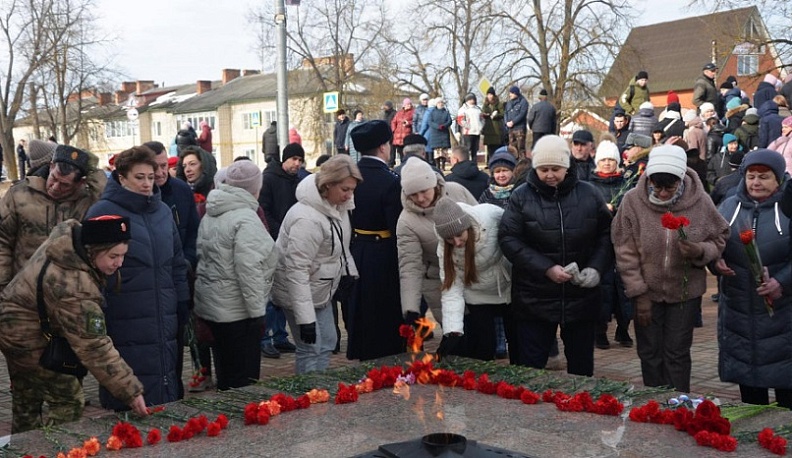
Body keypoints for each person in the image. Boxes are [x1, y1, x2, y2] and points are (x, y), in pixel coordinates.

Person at [0, 216, 147, 433]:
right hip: (26, 338)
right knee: (69, 400)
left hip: (12, 326)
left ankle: (24, 448)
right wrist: (131, 391)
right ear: (93, 250)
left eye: (123, 255)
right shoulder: (76, 287)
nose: (119, 263)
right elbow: (95, 348)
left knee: (27, 400)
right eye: (113, 256)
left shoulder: (67, 243)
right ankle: (55, 449)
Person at [611, 145, 729, 393]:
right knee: (650, 353)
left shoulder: (701, 201)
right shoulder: (633, 201)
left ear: (681, 179)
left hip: (684, 294)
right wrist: (639, 293)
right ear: (649, 178)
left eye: (670, 186)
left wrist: (700, 251)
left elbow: (720, 236)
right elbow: (624, 249)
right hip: (646, 292)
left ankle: (678, 404)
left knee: (677, 353)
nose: (663, 193)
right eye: (657, 186)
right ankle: (654, 405)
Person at [499, 135, 613, 376]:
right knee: (532, 368)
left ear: (567, 166)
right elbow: (509, 239)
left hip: (580, 296)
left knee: (581, 370)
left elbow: (606, 235)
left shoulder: (589, 194)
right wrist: (545, 268)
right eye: (543, 169)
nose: (550, 175)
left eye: (556, 169)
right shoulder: (521, 196)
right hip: (535, 296)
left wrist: (595, 268)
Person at [85, 146, 189, 410]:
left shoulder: (163, 211)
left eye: (150, 177)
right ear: (121, 177)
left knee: (166, 378)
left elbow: (176, 261)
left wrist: (183, 300)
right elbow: (90, 267)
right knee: (131, 384)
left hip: (164, 310)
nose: (146, 184)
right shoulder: (103, 211)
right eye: (139, 177)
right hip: (123, 312)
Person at [716, 149, 792, 408]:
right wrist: (714, 260)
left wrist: (781, 282)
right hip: (740, 314)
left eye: (764, 177)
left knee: (786, 391)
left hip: (783, 316)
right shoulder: (729, 206)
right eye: (751, 176)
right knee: (750, 397)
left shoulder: (789, 208)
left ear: (778, 179)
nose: (756, 183)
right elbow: (713, 241)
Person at [272, 155, 360, 373]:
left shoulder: (338, 206)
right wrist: (305, 319)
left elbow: (340, 244)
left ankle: (318, 390)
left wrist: (349, 273)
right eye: (345, 189)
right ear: (328, 185)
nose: (350, 195)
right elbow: (296, 270)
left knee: (328, 342)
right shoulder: (307, 219)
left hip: (320, 287)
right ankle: (308, 396)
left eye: (352, 189)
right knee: (310, 347)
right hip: (298, 290)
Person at [194, 160, 276, 389]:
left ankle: (227, 420)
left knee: (226, 377)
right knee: (244, 382)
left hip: (215, 308)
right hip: (239, 312)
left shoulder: (212, 212)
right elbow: (249, 270)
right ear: (256, 189)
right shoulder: (245, 218)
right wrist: (257, 313)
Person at [0, 145, 102, 291]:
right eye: (53, 178)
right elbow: (2, 241)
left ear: (80, 183)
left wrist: (92, 168)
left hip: (69, 291)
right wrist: (3, 286)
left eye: (64, 185)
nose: (55, 187)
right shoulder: (19, 194)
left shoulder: (86, 201)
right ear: (51, 166)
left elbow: (107, 198)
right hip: (24, 289)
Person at [146, 141, 203, 393]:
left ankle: (175, 393)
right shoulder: (140, 192)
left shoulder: (180, 190)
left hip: (179, 279)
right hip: (148, 286)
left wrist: (187, 260)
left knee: (176, 344)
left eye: (163, 166)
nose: (159, 173)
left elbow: (193, 232)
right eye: (153, 167)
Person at [397, 159, 476, 337]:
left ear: (434, 184)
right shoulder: (406, 221)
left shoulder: (456, 191)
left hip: (473, 272)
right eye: (413, 194)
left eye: (424, 191)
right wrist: (411, 307)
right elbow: (410, 266)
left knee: (481, 335)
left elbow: (479, 225)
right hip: (439, 280)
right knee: (457, 337)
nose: (420, 199)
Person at [346, 120, 403, 361]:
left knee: (362, 313)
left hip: (357, 250)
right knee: (384, 316)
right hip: (383, 256)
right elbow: (397, 227)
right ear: (383, 147)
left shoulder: (350, 177)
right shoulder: (390, 181)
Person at [433, 198, 510, 361]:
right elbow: (451, 288)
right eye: (449, 239)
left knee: (518, 345)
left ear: (467, 226)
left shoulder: (489, 215)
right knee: (483, 349)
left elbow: (515, 229)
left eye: (459, 235)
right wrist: (453, 330)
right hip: (477, 295)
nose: (457, 242)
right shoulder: (444, 249)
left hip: (509, 288)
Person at [259, 143, 304, 359]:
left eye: (300, 160)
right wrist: (279, 232)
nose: (297, 164)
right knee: (270, 293)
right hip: (272, 239)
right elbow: (264, 209)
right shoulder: (269, 178)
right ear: (284, 159)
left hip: (291, 242)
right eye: (293, 159)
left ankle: (279, 335)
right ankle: (265, 338)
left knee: (283, 291)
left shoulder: (298, 180)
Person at [588, 139, 632, 349]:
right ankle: (600, 331)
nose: (607, 163)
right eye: (603, 159)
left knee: (625, 289)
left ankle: (623, 329)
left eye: (611, 160)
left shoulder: (626, 185)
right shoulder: (589, 186)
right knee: (602, 289)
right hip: (600, 244)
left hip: (624, 244)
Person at [481, 87, 505, 164]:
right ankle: (490, 162)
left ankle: (497, 161)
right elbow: (482, 113)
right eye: (488, 94)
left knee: (497, 146)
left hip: (497, 128)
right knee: (490, 147)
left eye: (491, 94)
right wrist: (485, 115)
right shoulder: (485, 105)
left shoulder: (499, 104)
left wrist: (496, 115)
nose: (489, 96)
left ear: (494, 95)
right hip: (488, 128)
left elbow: (502, 114)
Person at [456, 93, 484, 160]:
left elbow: (482, 119)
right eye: (470, 99)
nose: (472, 101)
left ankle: (474, 164)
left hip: (476, 132)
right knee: (467, 149)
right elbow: (460, 120)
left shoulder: (478, 109)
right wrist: (467, 126)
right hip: (468, 133)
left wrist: (481, 126)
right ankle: (466, 163)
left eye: (473, 99)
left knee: (475, 150)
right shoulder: (463, 109)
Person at [428, 98, 452, 171]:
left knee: (444, 152)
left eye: (442, 102)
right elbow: (430, 122)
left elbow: (449, 121)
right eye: (439, 102)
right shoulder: (432, 112)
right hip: (435, 134)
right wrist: (437, 126)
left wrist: (444, 126)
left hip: (444, 134)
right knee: (437, 153)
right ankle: (437, 166)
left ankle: (443, 166)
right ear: (436, 104)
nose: (441, 104)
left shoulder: (446, 112)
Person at [504, 86, 529, 158]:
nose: (510, 95)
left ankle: (523, 164)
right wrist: (506, 122)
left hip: (519, 129)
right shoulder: (509, 103)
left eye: (511, 93)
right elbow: (505, 113)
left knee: (520, 148)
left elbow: (522, 114)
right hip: (510, 129)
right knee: (512, 149)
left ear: (515, 93)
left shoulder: (523, 102)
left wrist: (513, 122)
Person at [391, 98, 414, 166]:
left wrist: (408, 123)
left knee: (406, 152)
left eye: (410, 104)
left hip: (407, 135)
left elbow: (415, 122)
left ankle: (406, 164)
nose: (409, 105)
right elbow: (394, 121)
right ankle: (402, 165)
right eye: (407, 104)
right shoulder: (399, 113)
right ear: (404, 105)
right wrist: (394, 129)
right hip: (398, 136)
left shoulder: (413, 112)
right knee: (400, 151)